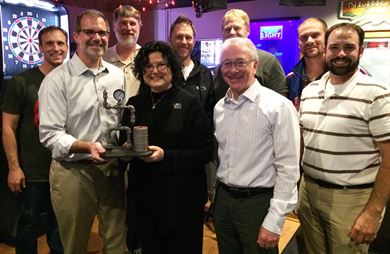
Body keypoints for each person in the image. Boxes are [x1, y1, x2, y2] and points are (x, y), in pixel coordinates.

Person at [38, 10, 126, 254]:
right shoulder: (56, 80)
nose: (97, 37)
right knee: (74, 244)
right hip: (73, 171)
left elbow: (121, 121)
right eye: (89, 32)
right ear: (76, 36)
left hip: (111, 169)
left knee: (117, 241)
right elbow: (50, 135)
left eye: (102, 32)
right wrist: (86, 146)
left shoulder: (117, 76)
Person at [298, 22, 390, 254]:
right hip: (308, 192)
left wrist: (374, 211)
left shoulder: (377, 93)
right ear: (326, 50)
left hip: (351, 199)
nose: (340, 54)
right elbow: (303, 141)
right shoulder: (309, 91)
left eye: (348, 48)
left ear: (360, 51)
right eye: (334, 47)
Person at [120, 41, 214, 254]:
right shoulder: (134, 104)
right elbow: (121, 145)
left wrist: (166, 156)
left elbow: (205, 152)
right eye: (148, 66)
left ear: (172, 67)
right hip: (144, 197)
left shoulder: (189, 103)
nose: (155, 71)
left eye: (161, 65)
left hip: (182, 199)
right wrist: (124, 155)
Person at [213, 37, 300, 254]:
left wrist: (275, 220)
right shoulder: (219, 108)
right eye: (227, 63)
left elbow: (288, 169)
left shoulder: (279, 106)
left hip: (258, 204)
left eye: (240, 62)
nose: (233, 70)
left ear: (255, 65)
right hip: (224, 201)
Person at [2, 26, 67, 254]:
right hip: (32, 171)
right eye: (49, 43)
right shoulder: (21, 82)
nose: (55, 48)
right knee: (28, 226)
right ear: (40, 48)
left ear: (67, 46)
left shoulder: (72, 80)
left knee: (59, 228)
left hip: (65, 167)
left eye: (60, 43)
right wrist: (14, 167)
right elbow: (8, 127)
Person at [214, 9, 287, 101]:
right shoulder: (219, 69)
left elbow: (281, 102)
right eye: (227, 29)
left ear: (248, 30)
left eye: (237, 28)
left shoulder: (269, 61)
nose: (232, 32)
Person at [169, 14, 215, 121]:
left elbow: (210, 114)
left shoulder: (205, 74)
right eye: (179, 37)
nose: (184, 42)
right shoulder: (162, 72)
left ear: (194, 42)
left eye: (188, 38)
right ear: (170, 39)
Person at [286, 17, 327, 110]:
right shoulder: (291, 79)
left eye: (315, 35)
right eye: (304, 37)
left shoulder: (341, 73)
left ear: (327, 38)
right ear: (298, 43)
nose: (309, 41)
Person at [103, 5, 142, 102]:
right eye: (123, 23)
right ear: (114, 26)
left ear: (139, 26)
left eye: (132, 23)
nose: (128, 28)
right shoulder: (103, 57)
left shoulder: (147, 57)